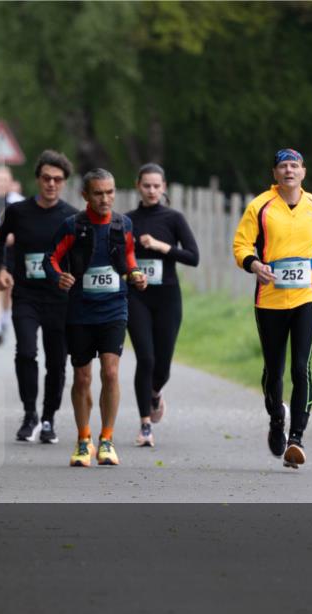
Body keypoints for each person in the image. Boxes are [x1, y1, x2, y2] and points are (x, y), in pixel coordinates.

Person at [233, 148, 312, 469]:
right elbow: (241, 245)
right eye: (283, 166)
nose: (289, 171)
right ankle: (277, 419)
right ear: (275, 174)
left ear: (303, 172)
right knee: (274, 370)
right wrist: (254, 265)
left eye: (294, 166)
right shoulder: (260, 207)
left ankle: (297, 438)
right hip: (270, 299)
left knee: (300, 367)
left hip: (308, 296)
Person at [44, 168, 146, 467]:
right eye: (99, 193)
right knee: (82, 376)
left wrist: (135, 274)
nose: (106, 198)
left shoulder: (123, 223)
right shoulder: (72, 226)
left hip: (114, 307)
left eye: (110, 192)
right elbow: (49, 258)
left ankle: (107, 439)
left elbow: (127, 258)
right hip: (79, 310)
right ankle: (83, 438)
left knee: (111, 372)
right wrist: (59, 276)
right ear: (85, 195)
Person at [0, 150, 78, 445]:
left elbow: (81, 256)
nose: (51, 184)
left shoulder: (71, 216)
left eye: (57, 179)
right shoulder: (19, 212)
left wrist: (74, 278)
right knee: (26, 352)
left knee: (56, 362)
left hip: (59, 299)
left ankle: (48, 418)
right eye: (46, 178)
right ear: (38, 179)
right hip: (26, 295)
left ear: (64, 182)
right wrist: (2, 269)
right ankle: (29, 414)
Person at [125, 164, 199, 447]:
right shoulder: (127, 220)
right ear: (138, 186)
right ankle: (145, 425)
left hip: (167, 297)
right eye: (147, 186)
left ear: (164, 187)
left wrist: (161, 246)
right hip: (137, 296)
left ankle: (155, 392)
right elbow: (118, 256)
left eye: (157, 186)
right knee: (145, 358)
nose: (152, 191)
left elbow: (193, 257)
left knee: (162, 365)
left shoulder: (173, 219)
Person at [0, 165, 25, 346]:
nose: (1, 183)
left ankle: (3, 320)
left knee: (7, 289)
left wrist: (15, 234)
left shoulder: (19, 202)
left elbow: (27, 226)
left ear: (10, 182)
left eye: (4, 180)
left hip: (12, 252)